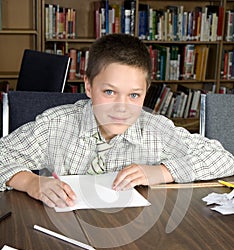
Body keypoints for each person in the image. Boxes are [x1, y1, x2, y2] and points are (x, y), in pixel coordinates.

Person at [0, 34, 234, 208]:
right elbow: (3, 154)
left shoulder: (155, 130)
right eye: (110, 92)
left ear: (146, 92)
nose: (121, 108)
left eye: (134, 95)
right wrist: (32, 182)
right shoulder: (55, 126)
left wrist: (162, 172)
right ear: (89, 86)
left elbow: (223, 158)